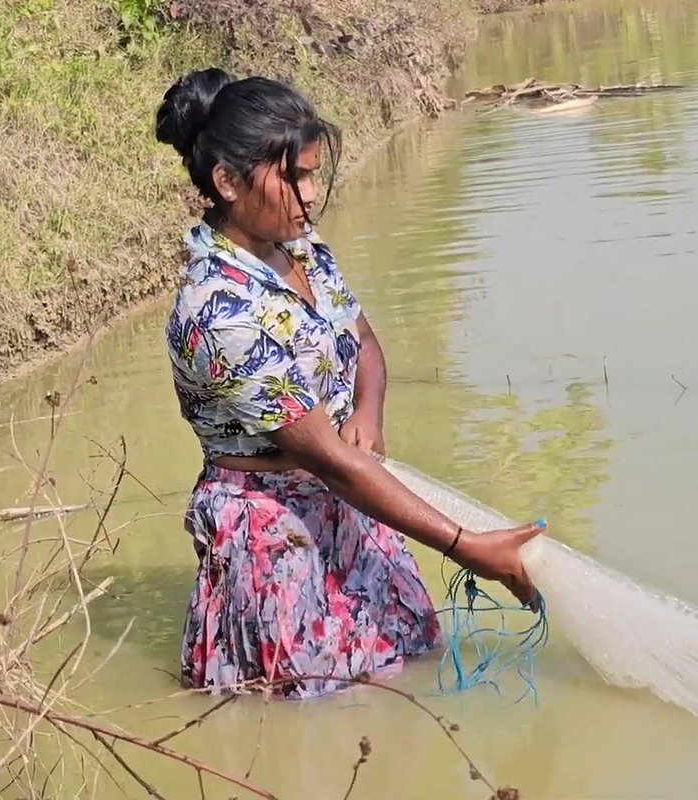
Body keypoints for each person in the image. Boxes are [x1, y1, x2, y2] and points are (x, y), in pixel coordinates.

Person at [155, 66, 546, 699]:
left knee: (400, 679)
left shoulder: (302, 250)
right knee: (307, 713)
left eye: (313, 174)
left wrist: (368, 411)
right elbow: (326, 458)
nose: (310, 195)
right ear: (227, 181)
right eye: (294, 177)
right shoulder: (218, 311)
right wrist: (465, 545)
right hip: (274, 533)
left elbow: (362, 341)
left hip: (354, 500)